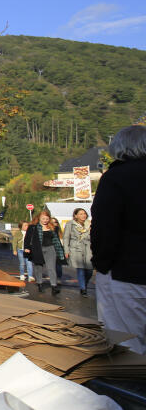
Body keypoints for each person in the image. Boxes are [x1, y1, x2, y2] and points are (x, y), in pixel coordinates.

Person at [90, 124, 146, 354]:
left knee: (126, 343)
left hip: (125, 273)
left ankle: (129, 388)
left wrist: (101, 265)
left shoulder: (115, 178)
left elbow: (105, 227)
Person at [24, 209, 64, 295]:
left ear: (49, 218)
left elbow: (56, 239)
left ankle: (54, 286)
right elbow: (27, 238)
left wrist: (59, 250)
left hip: (50, 248)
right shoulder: (33, 227)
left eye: (47, 219)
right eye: (43, 219)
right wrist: (26, 247)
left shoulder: (53, 227)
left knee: (51, 267)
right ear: (39, 218)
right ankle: (39, 283)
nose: (45, 220)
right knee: (38, 267)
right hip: (38, 249)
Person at [63, 208, 92, 297]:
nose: (83, 215)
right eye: (80, 214)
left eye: (84, 213)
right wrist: (66, 250)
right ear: (75, 215)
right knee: (81, 269)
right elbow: (66, 237)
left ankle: (84, 284)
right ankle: (83, 289)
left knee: (89, 271)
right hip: (76, 248)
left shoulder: (89, 224)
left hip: (88, 248)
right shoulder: (70, 224)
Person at [50, 216, 64, 284]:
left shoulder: (59, 232)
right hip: (50, 249)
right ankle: (53, 278)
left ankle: (58, 277)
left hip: (58, 250)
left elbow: (62, 241)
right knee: (51, 265)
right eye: (51, 222)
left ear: (57, 223)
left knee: (58, 265)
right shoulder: (48, 231)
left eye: (55, 222)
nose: (53, 223)